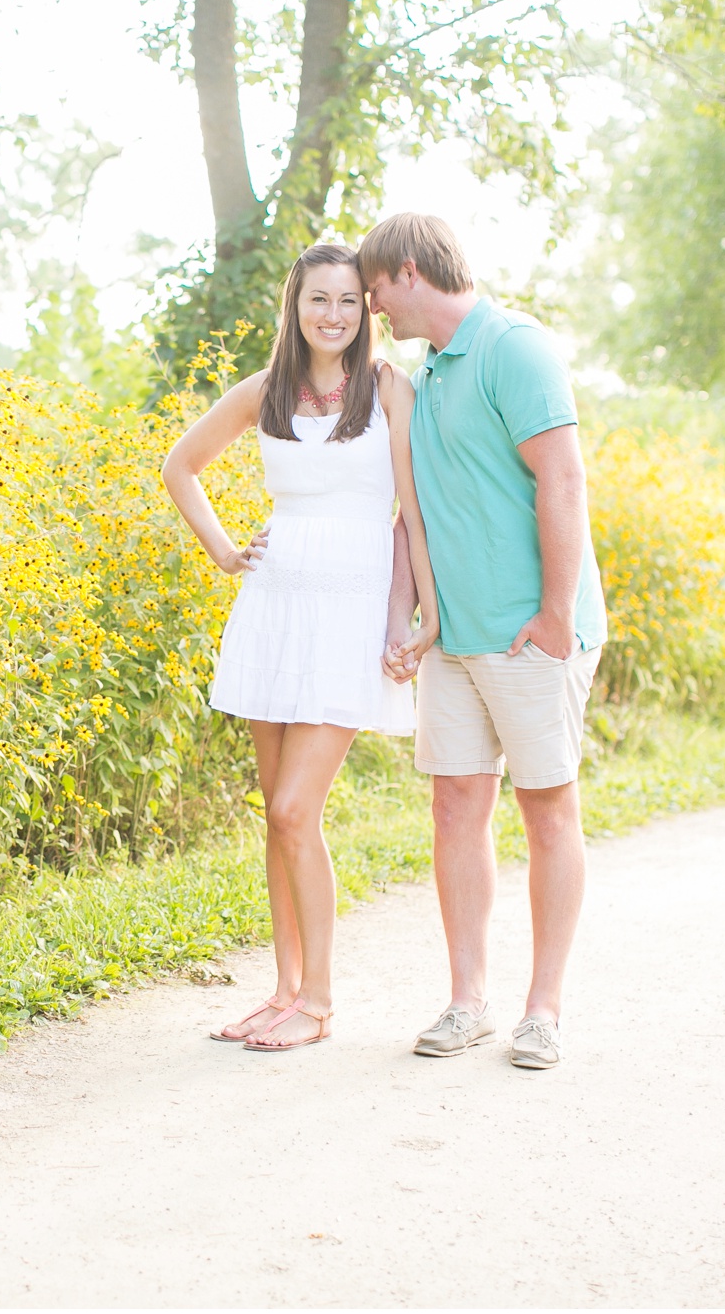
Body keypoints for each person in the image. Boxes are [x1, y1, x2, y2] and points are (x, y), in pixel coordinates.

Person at [161, 242, 437, 1053]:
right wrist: (222, 550)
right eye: (320, 299)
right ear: (297, 304)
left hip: (350, 617)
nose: (334, 315)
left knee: (295, 809)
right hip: (274, 609)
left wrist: (417, 617)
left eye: (349, 301)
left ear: (366, 310)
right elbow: (181, 465)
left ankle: (318, 1000)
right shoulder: (267, 390)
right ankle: (282, 988)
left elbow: (410, 516)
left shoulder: (388, 389)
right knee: (274, 820)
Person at [359, 212, 609, 1070]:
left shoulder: (514, 347)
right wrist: (414, 620)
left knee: (547, 808)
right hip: (455, 642)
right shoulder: (426, 376)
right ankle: (468, 1000)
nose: (372, 306)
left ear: (406, 270)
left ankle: (544, 1009)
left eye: (374, 288)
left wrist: (553, 613)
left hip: (532, 636)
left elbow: (564, 478)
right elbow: (414, 514)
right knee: (456, 807)